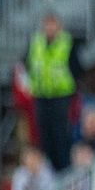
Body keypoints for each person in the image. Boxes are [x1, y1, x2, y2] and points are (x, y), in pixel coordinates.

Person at [27, 12, 81, 171]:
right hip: (41, 96)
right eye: (47, 24)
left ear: (59, 26)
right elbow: (28, 64)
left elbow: (77, 68)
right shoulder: (35, 42)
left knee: (61, 138)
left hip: (61, 98)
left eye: (52, 24)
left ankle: (64, 172)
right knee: (44, 138)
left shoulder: (67, 43)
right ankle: (49, 173)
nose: (49, 28)